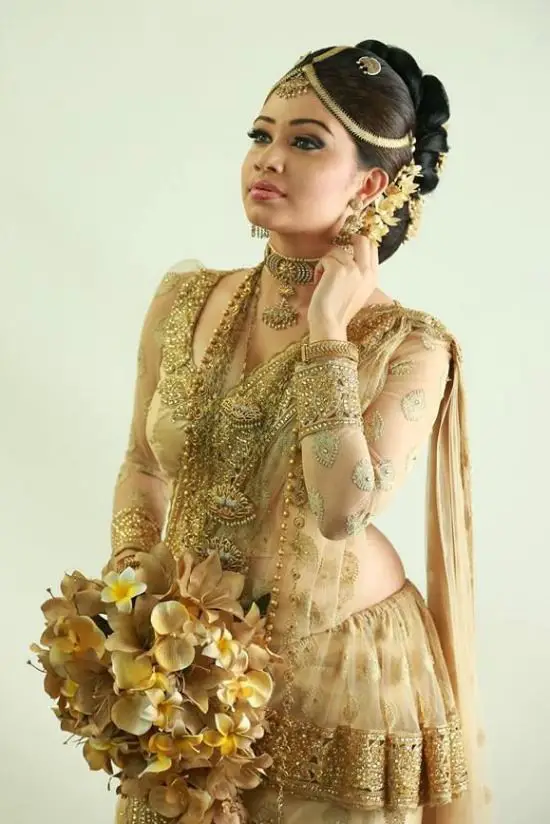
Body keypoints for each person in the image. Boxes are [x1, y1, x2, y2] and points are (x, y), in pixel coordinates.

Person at [112, 41, 489, 824]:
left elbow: (342, 512)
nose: (269, 157)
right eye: (261, 134)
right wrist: (128, 607)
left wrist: (326, 333)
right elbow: (144, 465)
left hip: (339, 679)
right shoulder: (184, 301)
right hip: (184, 668)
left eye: (306, 141)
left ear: (371, 185)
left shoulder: (411, 346)